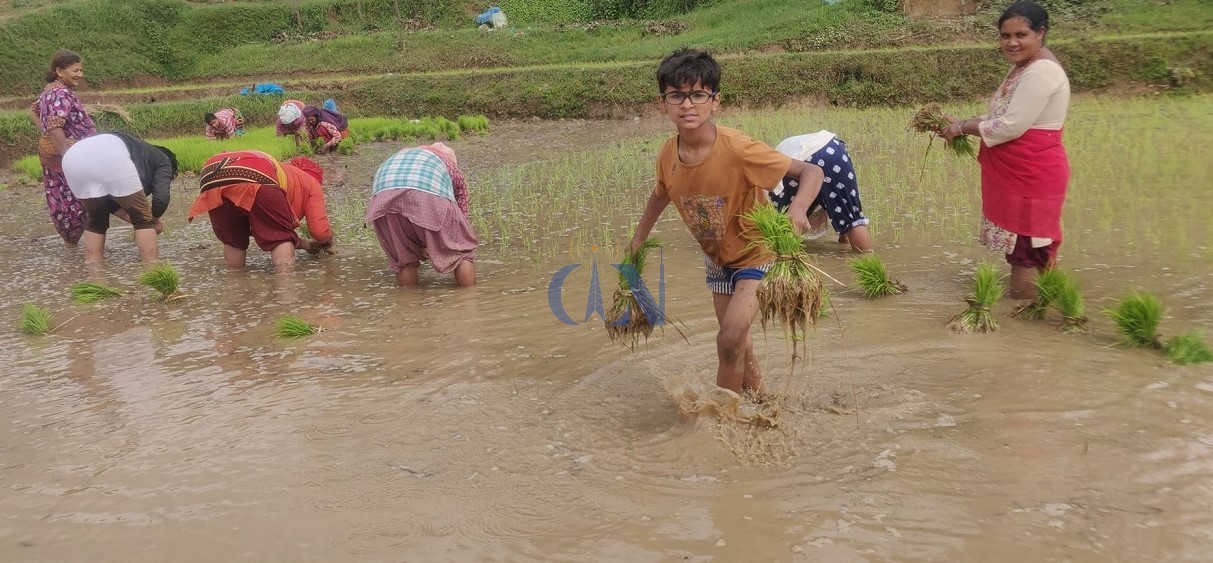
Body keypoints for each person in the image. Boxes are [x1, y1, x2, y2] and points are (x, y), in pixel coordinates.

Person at [626, 48, 821, 395]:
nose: (687, 105)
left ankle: (721, 420)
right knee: (737, 345)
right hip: (717, 259)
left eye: (698, 94)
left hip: (757, 254)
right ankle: (759, 401)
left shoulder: (737, 149)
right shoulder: (668, 154)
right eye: (677, 96)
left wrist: (798, 209)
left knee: (729, 336)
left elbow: (811, 171)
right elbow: (661, 194)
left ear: (715, 101)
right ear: (663, 103)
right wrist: (639, 237)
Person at [941, 0, 1070, 300]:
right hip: (1024, 172)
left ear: (1041, 33)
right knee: (1027, 248)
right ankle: (1043, 307)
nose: (1011, 43)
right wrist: (961, 122)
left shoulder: (1041, 72)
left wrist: (961, 128)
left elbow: (1011, 126)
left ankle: (1028, 321)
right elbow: (1001, 116)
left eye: (1020, 35)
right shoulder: (1025, 67)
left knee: (1028, 248)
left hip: (1032, 174)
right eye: (1004, 36)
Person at [367, 142, 477, 288]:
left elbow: (407, 217)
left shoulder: (404, 156)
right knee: (461, 252)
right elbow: (460, 212)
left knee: (404, 260)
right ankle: (469, 299)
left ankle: (410, 304)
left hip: (382, 199)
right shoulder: (449, 165)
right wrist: (453, 239)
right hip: (425, 193)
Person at [186, 150, 313, 274]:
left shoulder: (261, 159)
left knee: (232, 239)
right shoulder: (294, 178)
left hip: (211, 177)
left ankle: (235, 281)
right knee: (280, 236)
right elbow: (275, 220)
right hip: (254, 176)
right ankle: (286, 281)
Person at [61, 132, 177, 263]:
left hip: (71, 158)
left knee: (97, 221)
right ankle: (152, 271)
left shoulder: (137, 154)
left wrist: (137, 218)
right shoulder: (163, 160)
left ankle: (95, 276)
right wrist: (153, 220)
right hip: (110, 157)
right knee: (143, 221)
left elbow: (110, 203)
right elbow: (161, 199)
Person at [30, 50, 96, 246]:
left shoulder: (49, 91)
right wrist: (68, 156)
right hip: (68, 156)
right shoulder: (60, 93)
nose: (80, 74)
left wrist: (46, 132)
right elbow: (55, 125)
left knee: (63, 199)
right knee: (82, 199)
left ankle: (72, 246)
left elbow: (33, 110)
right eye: (75, 70)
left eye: (81, 70)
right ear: (59, 71)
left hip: (58, 155)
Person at [769, 131, 874, 252]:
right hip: (833, 149)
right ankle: (867, 261)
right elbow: (841, 211)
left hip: (795, 163)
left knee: (785, 226)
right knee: (852, 219)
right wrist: (844, 240)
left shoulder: (763, 193)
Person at [280, 156, 333, 254]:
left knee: (241, 240)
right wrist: (328, 238)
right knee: (282, 248)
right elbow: (320, 233)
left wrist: (303, 244)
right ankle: (285, 270)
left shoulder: (284, 173)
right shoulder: (311, 183)